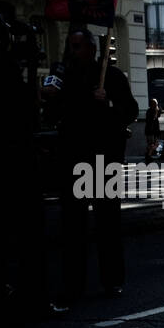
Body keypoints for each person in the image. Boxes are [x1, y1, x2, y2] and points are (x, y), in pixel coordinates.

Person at [55, 27, 138, 303]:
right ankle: (73, 284)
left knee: (108, 223)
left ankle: (112, 280)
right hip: (75, 159)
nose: (73, 51)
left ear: (91, 48)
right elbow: (56, 112)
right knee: (73, 226)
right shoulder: (66, 77)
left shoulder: (112, 76)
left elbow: (131, 111)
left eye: (78, 46)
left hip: (105, 160)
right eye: (71, 45)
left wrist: (110, 102)